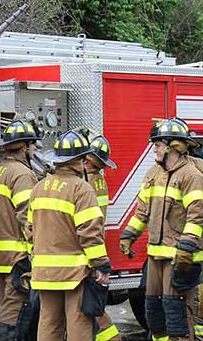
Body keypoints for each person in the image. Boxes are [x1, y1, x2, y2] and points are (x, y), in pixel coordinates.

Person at [120, 119, 203, 341]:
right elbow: (143, 211)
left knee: (176, 315)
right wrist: (128, 236)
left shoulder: (191, 176)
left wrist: (186, 248)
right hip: (156, 256)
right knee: (154, 313)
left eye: (158, 145)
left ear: (173, 147)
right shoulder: (153, 173)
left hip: (178, 257)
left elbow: (196, 215)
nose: (155, 149)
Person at [29, 131, 115, 341]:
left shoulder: (38, 188)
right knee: (79, 324)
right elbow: (90, 233)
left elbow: (30, 230)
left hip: (43, 273)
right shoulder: (82, 188)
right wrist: (101, 265)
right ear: (80, 160)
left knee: (49, 324)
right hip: (74, 274)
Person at [165, 119, 203, 340]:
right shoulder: (163, 170)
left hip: (199, 241)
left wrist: (196, 194)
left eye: (178, 143)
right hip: (172, 245)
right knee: (176, 301)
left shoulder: (199, 167)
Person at [0, 121, 42, 340]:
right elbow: (26, 216)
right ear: (25, 147)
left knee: (5, 307)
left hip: (0, 257)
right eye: (33, 146)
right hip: (17, 257)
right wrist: (34, 251)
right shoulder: (22, 174)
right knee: (12, 312)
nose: (35, 150)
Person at [83, 133, 122, 341]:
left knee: (93, 308)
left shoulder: (87, 183)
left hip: (87, 253)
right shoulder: (97, 182)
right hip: (95, 249)